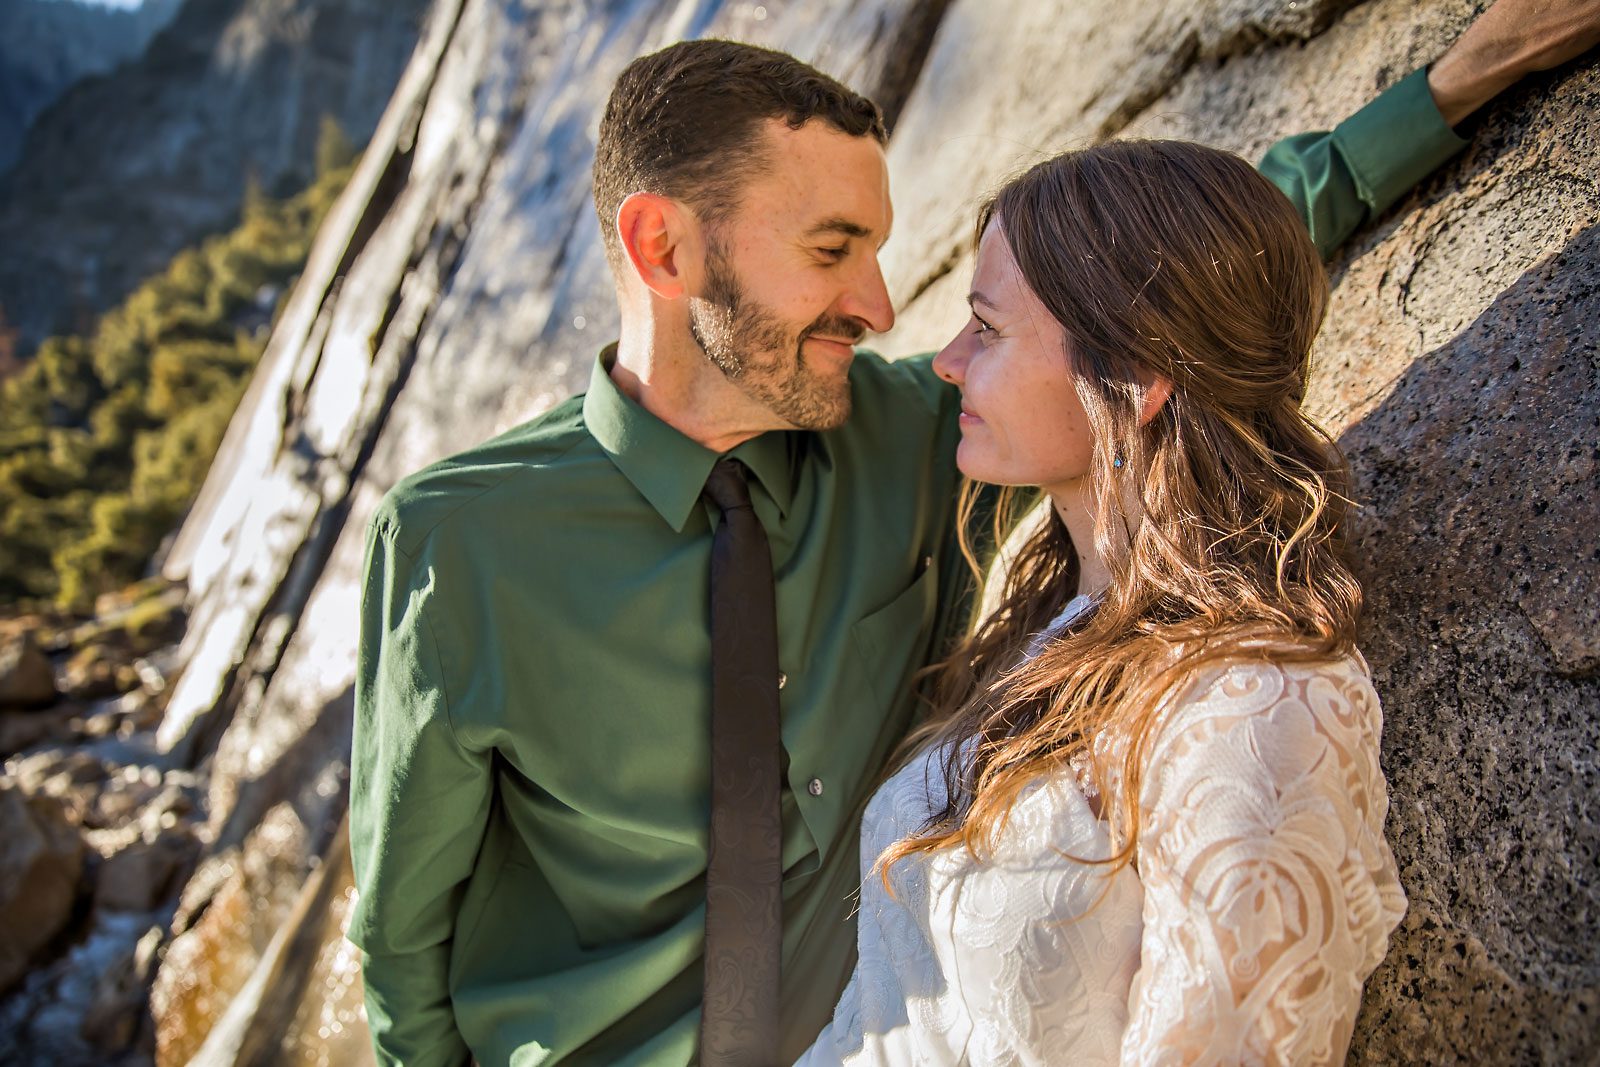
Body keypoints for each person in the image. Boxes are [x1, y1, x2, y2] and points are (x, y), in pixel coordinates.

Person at [347, 5, 1600, 1063]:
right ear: (660, 245)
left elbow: (1162, 296)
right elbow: (404, 952)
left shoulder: (903, 437)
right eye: (833, 248)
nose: (883, 305)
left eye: (882, 249)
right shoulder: (456, 543)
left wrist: (1456, 81)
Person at [797, 136, 1398, 1067]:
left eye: (987, 328)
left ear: (1138, 371)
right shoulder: (1046, 630)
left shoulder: (1258, 702)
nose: (948, 361)